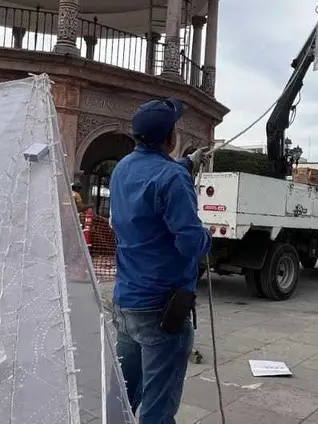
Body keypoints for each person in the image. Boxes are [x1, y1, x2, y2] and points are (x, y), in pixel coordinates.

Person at [109, 98, 212, 423]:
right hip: (163, 310)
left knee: (122, 397)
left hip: (127, 304)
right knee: (158, 408)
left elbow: (154, 179)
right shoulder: (171, 179)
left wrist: (187, 164)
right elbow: (190, 243)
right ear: (171, 138)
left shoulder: (123, 167)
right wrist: (207, 235)